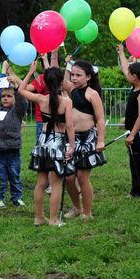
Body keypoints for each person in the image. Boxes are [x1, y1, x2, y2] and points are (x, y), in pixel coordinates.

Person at [19, 63, 74, 226]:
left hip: (43, 140)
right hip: (58, 141)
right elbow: (70, 126)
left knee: (41, 182)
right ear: (60, 82)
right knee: (56, 182)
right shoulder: (66, 102)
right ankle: (54, 219)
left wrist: (30, 72)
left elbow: (21, 90)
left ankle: (38, 217)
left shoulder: (41, 99)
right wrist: (72, 146)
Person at [61, 59, 106, 219]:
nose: (73, 78)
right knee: (69, 177)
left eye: (78, 75)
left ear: (88, 77)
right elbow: (57, 77)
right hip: (71, 139)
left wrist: (100, 141)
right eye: (72, 74)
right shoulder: (70, 89)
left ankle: (87, 212)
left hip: (87, 139)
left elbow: (100, 119)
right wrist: (53, 55)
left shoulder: (93, 94)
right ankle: (76, 207)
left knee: (82, 177)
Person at [117, 46, 140, 199]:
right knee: (134, 162)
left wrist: (132, 134)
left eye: (129, 74)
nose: (127, 74)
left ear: (135, 77)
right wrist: (121, 52)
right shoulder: (135, 86)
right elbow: (126, 68)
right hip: (132, 133)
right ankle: (135, 191)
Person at [0, 77, 28, 209]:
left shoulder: (17, 111)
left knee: (14, 175)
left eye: (9, 96)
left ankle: (16, 197)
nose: (5, 98)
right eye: (3, 96)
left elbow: (22, 102)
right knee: (0, 176)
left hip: (13, 149)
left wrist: (17, 88)